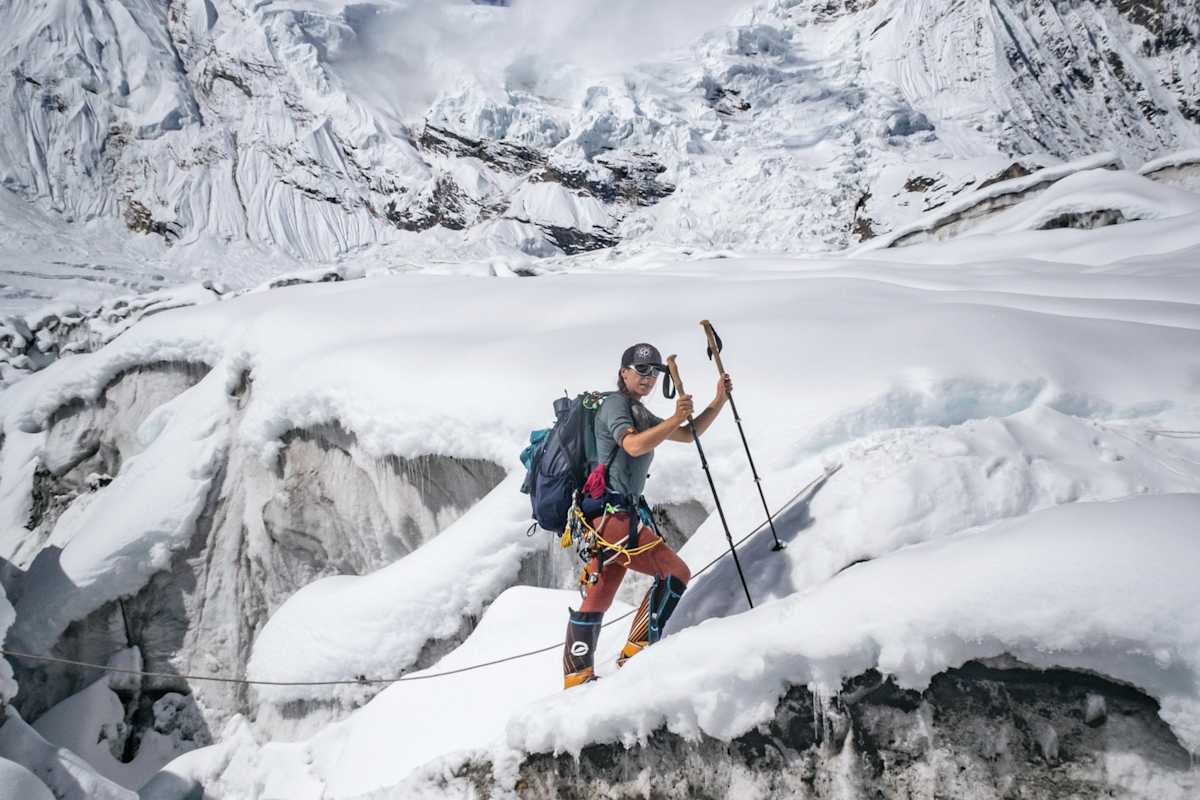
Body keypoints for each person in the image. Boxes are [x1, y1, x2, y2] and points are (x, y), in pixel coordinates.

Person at [562, 342, 732, 688]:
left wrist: (717, 402)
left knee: (601, 593)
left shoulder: (636, 410)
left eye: (654, 373)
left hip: (609, 516)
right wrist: (673, 417)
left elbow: (687, 435)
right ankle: (637, 652)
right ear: (623, 372)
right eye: (641, 371)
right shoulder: (615, 407)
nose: (648, 378)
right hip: (613, 515)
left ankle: (577, 676)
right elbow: (634, 445)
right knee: (675, 573)